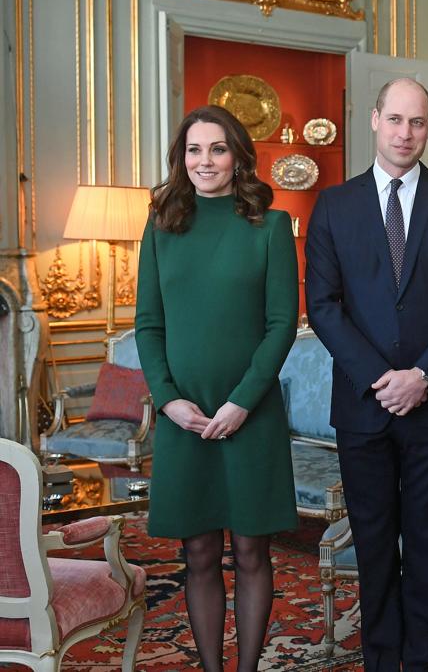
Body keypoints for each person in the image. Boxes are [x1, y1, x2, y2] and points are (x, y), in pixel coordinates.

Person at [303, 78, 428, 671]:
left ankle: (424, 663)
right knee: (375, 546)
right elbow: (323, 304)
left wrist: (423, 375)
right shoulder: (333, 204)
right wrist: (382, 377)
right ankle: (381, 662)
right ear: (376, 120)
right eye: (397, 120)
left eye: (419, 123)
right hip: (364, 405)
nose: (407, 133)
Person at [135, 104, 298, 672]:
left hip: (249, 414)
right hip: (185, 418)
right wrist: (167, 398)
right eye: (194, 150)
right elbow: (148, 325)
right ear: (182, 159)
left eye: (218, 149)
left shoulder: (271, 226)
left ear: (238, 158)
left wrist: (241, 402)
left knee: (252, 549)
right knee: (198, 551)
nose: (206, 161)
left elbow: (282, 325)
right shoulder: (160, 227)